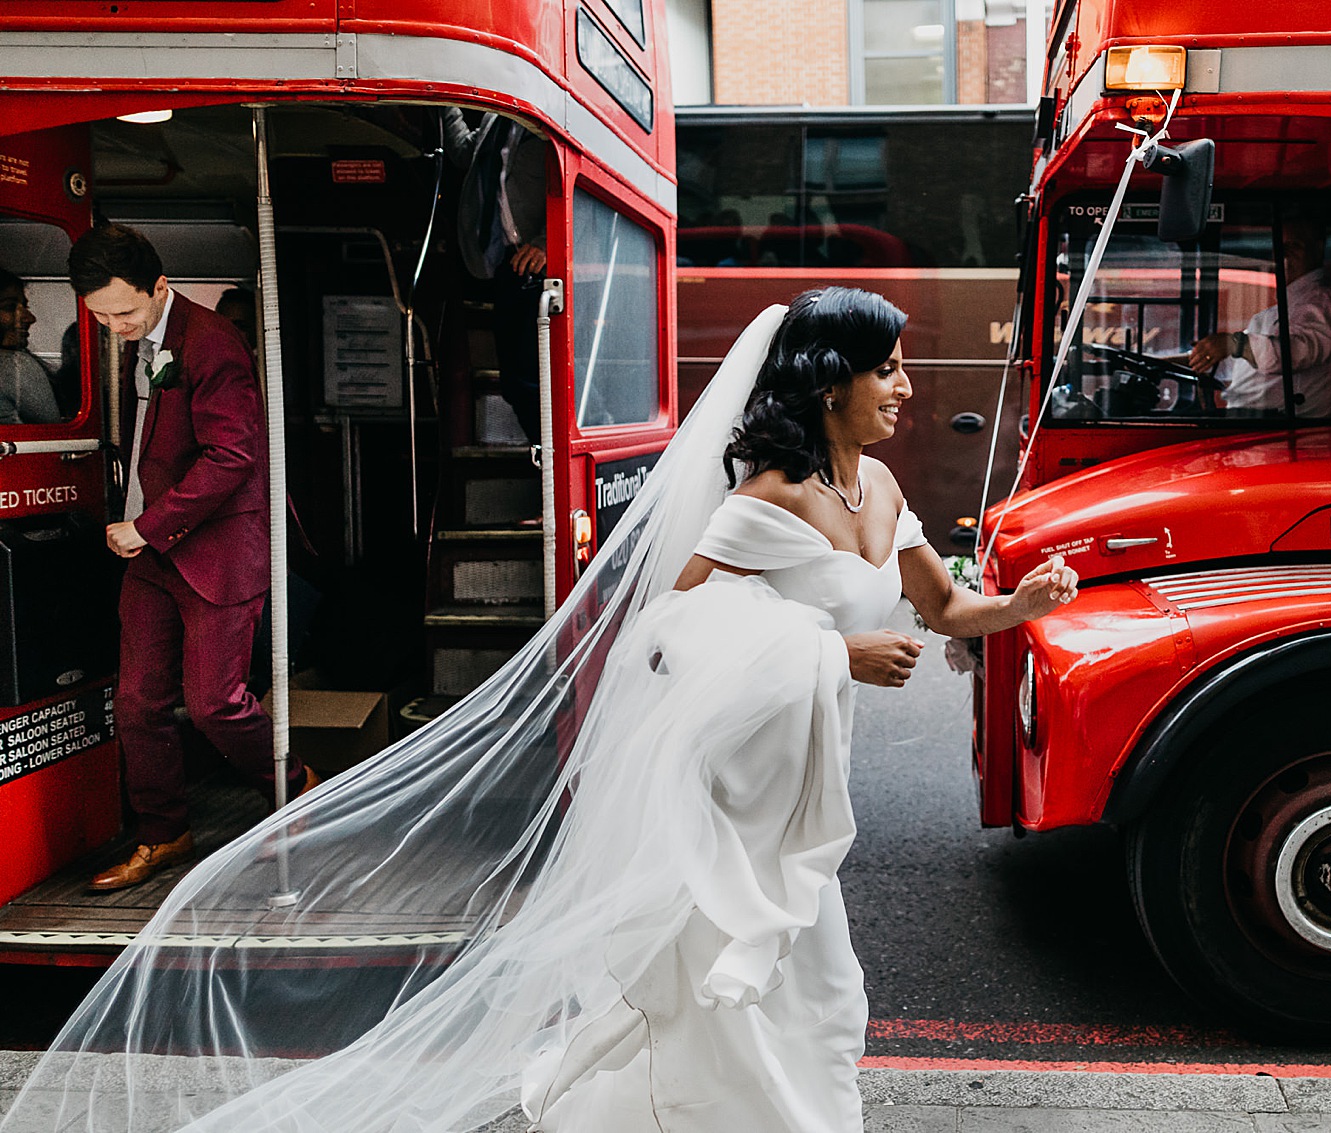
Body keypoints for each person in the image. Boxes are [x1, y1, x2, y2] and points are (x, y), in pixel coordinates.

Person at [2, 289, 1076, 1133]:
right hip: (737, 773)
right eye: (883, 365)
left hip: (801, 772)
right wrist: (827, 651)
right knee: (755, 953)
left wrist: (1018, 604)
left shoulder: (881, 491)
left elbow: (942, 607)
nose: (902, 382)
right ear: (828, 378)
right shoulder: (765, 500)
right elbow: (667, 633)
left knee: (804, 960)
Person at [67, 223, 315, 893]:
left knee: (215, 703)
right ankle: (163, 833)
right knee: (138, 700)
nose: (114, 325)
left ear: (161, 288)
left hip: (215, 549)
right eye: (99, 316)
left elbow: (234, 454)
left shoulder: (210, 343)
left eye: (124, 311)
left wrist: (148, 525)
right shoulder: (131, 340)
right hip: (152, 553)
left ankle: (298, 790)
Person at [443, 105, 547, 447]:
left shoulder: (549, 120)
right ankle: (544, 457)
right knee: (515, 384)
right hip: (507, 265)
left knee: (539, 381)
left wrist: (547, 244)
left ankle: (552, 464)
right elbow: (463, 153)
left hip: (544, 269)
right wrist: (447, 102)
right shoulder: (494, 118)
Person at [1186, 217, 1331, 417]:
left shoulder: (1327, 302)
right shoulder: (1277, 312)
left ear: (1318, 249)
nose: (1284, 254)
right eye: (1280, 247)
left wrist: (1234, 344)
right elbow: (1237, 363)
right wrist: (1192, 358)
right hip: (1249, 419)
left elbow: (1295, 354)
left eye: (1294, 246)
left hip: (1281, 424)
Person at [0, 266, 64, 425]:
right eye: (9, 307)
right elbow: (54, 438)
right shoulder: (14, 365)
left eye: (25, 307)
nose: (30, 318)